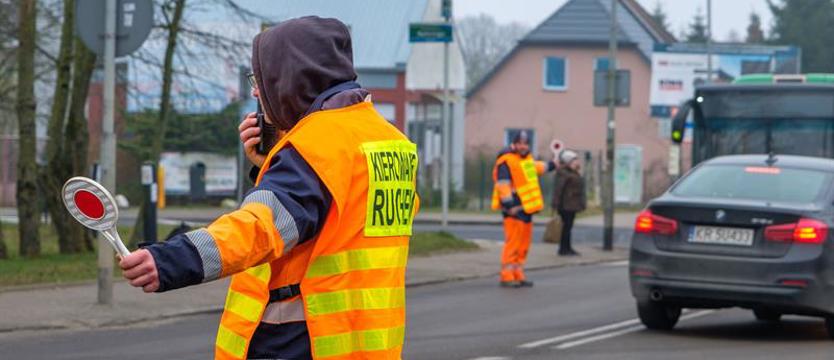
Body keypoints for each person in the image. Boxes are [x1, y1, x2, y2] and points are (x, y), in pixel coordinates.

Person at [118, 17, 419, 360]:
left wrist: (171, 259)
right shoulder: (390, 141)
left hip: (299, 343)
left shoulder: (315, 147)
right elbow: (340, 220)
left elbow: (260, 227)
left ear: (289, 79)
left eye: (261, 80)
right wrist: (271, 165)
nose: (257, 92)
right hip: (369, 343)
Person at [491, 131, 557, 288]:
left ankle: (518, 273)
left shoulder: (526, 160)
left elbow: (539, 167)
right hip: (513, 210)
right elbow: (503, 185)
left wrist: (554, 164)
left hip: (526, 209)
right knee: (513, 244)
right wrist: (509, 206)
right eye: (520, 143)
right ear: (514, 144)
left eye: (526, 143)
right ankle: (507, 275)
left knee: (523, 246)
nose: (523, 146)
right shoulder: (506, 161)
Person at [552, 150, 586, 256]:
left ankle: (567, 247)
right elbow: (559, 189)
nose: (577, 162)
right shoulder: (564, 173)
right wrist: (556, 204)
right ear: (568, 162)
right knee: (566, 227)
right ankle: (563, 249)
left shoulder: (573, 173)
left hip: (572, 204)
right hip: (565, 205)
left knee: (569, 227)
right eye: (575, 160)